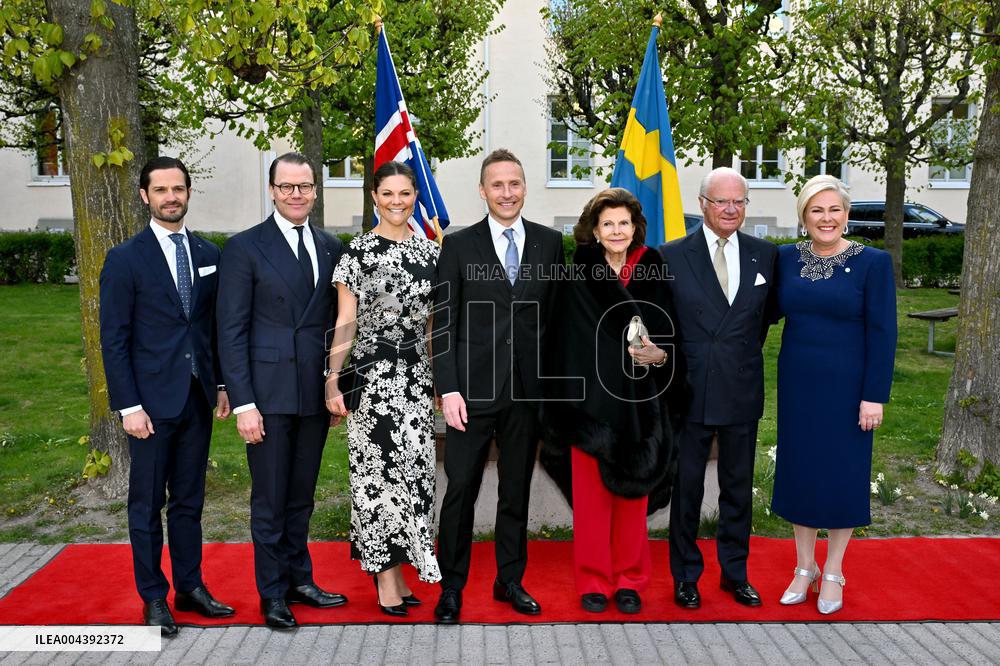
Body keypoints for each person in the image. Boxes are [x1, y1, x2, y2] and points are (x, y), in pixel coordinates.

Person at [99, 156, 234, 637]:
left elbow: (211, 328)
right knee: (147, 503)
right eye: (161, 190)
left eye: (178, 189)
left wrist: (220, 385)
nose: (171, 197)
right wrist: (129, 406)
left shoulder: (207, 251)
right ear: (145, 196)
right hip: (149, 407)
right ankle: (153, 597)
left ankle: (191, 587)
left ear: (189, 193)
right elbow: (113, 339)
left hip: (197, 398)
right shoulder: (125, 259)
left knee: (189, 502)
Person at [432, 148, 565, 624]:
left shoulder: (550, 244)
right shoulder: (459, 246)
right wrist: (447, 389)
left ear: (524, 188)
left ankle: (510, 580)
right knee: (460, 488)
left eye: (514, 184)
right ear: (483, 191)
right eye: (497, 185)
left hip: (527, 395)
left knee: (516, 490)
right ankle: (451, 586)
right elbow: (443, 324)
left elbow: (554, 320)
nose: (506, 193)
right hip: (470, 394)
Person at [216, 152, 346, 630]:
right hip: (265, 397)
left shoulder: (332, 246)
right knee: (269, 500)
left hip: (313, 394)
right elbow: (230, 331)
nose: (297, 194)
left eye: (305, 186)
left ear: (315, 190)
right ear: (271, 190)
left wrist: (335, 386)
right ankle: (272, 594)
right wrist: (244, 402)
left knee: (301, 497)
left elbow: (337, 323)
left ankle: (299, 579)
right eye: (287, 186)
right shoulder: (244, 247)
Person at [541, 188, 678, 614]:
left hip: (641, 399)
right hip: (591, 403)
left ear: (636, 227)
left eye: (624, 223)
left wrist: (660, 354)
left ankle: (630, 581)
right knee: (593, 502)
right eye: (608, 224)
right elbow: (565, 337)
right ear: (595, 231)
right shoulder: (577, 273)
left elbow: (670, 329)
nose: (617, 231)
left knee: (633, 498)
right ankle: (594, 581)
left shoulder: (653, 268)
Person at [770, 174, 896, 614]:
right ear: (804, 216)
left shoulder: (872, 263)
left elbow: (884, 334)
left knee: (841, 476)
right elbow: (760, 312)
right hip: (799, 384)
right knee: (801, 472)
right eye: (816, 210)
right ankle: (804, 568)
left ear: (847, 214)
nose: (826, 218)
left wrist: (874, 395)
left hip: (849, 389)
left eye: (834, 209)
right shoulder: (785, 258)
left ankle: (835, 570)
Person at [325, 161, 441, 617]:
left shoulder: (431, 253)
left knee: (415, 479)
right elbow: (345, 322)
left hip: (416, 380)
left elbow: (433, 325)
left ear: (416, 197)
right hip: (372, 383)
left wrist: (438, 379)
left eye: (405, 193)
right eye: (388, 193)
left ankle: (404, 568)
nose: (397, 201)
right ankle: (385, 581)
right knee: (378, 483)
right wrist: (333, 379)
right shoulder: (358, 253)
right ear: (375, 197)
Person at [661, 166, 778, 610]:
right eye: (722, 201)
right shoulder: (671, 255)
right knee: (687, 489)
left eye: (739, 201)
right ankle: (686, 577)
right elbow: (664, 324)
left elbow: (763, 319)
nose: (731, 209)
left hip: (741, 389)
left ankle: (735, 573)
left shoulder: (765, 255)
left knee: (737, 487)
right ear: (702, 204)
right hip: (688, 391)